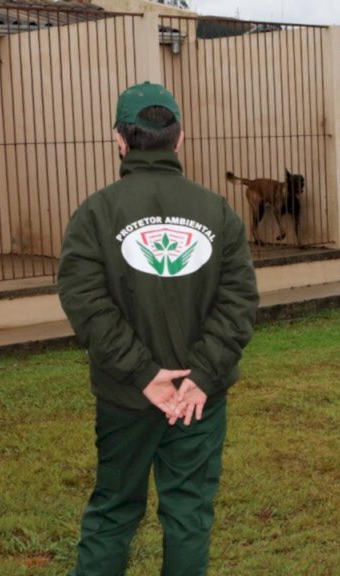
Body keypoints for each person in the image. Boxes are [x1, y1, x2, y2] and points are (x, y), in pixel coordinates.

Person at [57, 82, 259, 576]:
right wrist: (198, 378)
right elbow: (239, 303)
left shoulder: (94, 213)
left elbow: (85, 302)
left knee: (113, 511)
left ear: (119, 140)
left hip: (128, 397)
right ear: (180, 138)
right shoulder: (219, 212)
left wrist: (144, 374)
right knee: (188, 516)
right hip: (196, 399)